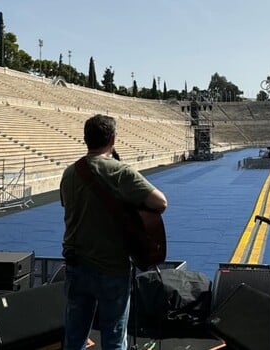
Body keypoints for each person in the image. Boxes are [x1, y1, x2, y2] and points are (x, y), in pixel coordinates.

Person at [60, 114, 168, 350]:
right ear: (112, 139)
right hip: (110, 268)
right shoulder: (120, 172)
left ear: (86, 139)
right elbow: (160, 202)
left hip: (76, 266)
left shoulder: (69, 173)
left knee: (74, 338)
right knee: (114, 339)